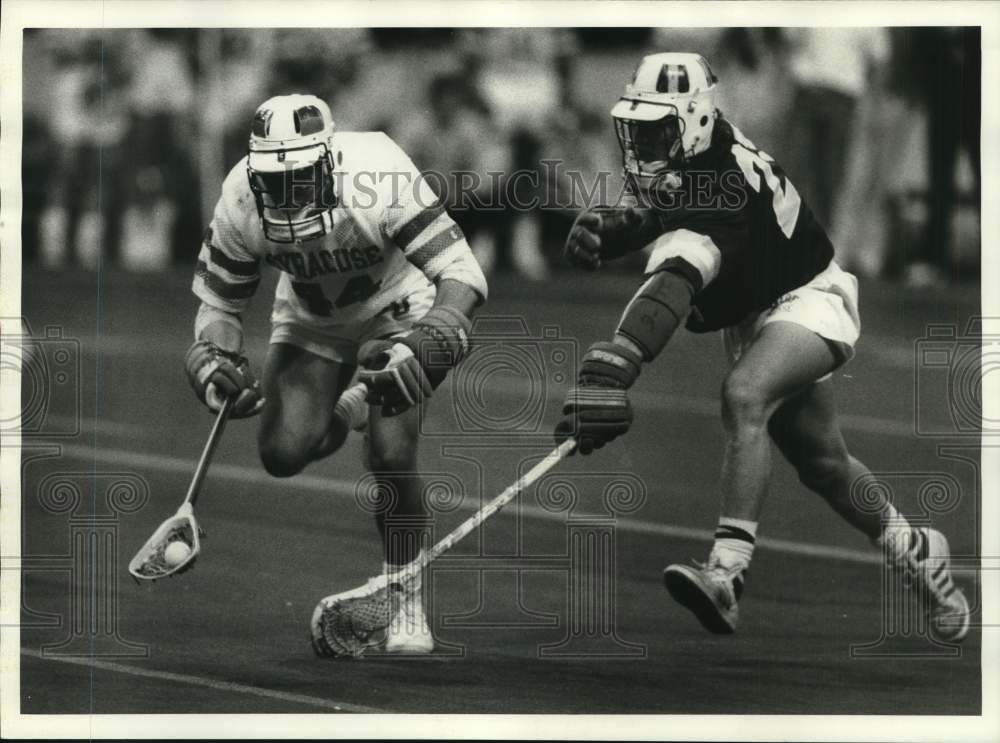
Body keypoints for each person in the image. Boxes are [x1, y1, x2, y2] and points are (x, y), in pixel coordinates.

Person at [556, 53, 970, 641]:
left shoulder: (719, 183)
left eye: (657, 127)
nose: (645, 140)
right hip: (760, 309)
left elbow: (675, 277)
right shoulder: (695, 150)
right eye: (639, 126)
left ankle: (727, 575)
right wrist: (611, 228)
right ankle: (915, 544)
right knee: (824, 464)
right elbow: (658, 210)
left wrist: (619, 359)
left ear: (695, 118)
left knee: (744, 395)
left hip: (808, 295)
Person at [184, 94, 488, 654]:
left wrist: (429, 340)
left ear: (329, 162)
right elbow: (220, 308)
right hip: (312, 318)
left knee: (391, 454)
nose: (286, 194)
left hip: (400, 309)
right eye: (274, 181)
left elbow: (462, 276)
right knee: (282, 454)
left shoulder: (378, 172)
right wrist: (214, 361)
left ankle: (404, 598)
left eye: (300, 177)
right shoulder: (238, 197)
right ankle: (351, 405)